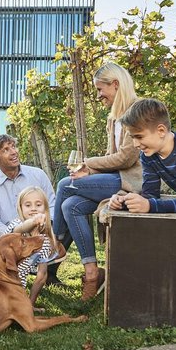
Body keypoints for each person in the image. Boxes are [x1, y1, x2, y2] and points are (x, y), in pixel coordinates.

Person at [52, 62, 143, 302]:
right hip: (114, 178)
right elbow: (111, 157)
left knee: (64, 185)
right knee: (69, 205)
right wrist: (90, 172)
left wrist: (88, 164)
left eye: (101, 89)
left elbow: (127, 157)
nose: (99, 95)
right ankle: (92, 273)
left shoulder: (138, 110)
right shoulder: (113, 118)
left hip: (130, 183)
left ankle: (55, 244)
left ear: (116, 85)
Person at [0, 134, 59, 283]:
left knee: (63, 216)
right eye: (6, 150)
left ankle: (49, 272)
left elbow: (52, 207)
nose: (14, 152)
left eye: (13, 146)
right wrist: (16, 240)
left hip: (40, 232)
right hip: (10, 239)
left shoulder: (38, 175)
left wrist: (42, 227)